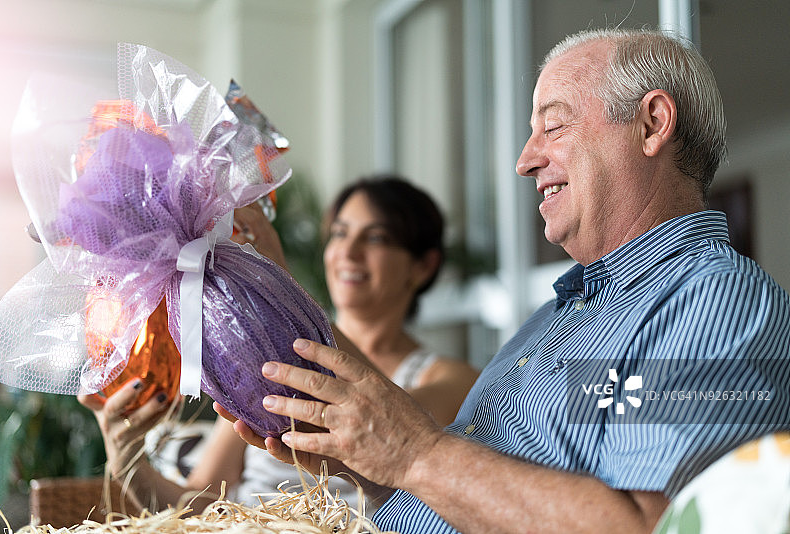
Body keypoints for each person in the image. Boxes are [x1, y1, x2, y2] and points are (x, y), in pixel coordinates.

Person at [219, 28, 790, 534]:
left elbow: (643, 527)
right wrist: (363, 456)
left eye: (554, 124)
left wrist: (413, 454)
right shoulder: (560, 316)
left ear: (651, 124)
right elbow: (462, 487)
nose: (524, 160)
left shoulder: (717, 301)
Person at [78, 175, 479, 511]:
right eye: (339, 233)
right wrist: (124, 454)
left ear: (423, 266)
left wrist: (285, 294)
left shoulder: (453, 378)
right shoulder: (264, 362)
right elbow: (195, 504)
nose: (348, 252)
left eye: (375, 238)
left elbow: (405, 430)